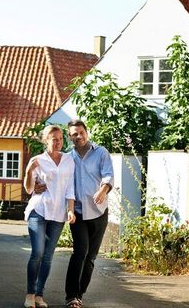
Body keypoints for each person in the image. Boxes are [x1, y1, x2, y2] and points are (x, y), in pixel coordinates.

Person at [35, 119, 114, 308]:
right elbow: (57, 178)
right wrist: (38, 186)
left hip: (99, 212)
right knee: (80, 252)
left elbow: (108, 175)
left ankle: (80, 294)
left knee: (91, 257)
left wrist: (102, 191)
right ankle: (71, 296)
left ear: (86, 132)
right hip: (77, 213)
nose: (78, 136)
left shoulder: (101, 152)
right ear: (70, 138)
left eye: (81, 132)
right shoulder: (68, 158)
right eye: (74, 134)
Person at [23, 124, 76, 308]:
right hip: (39, 210)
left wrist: (70, 209)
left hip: (59, 213)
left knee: (48, 256)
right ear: (46, 140)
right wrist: (29, 171)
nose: (58, 142)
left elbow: (70, 188)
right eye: (54, 139)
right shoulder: (38, 160)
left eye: (61, 139)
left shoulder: (69, 160)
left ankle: (39, 294)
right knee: (37, 252)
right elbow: (29, 189)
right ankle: (30, 294)